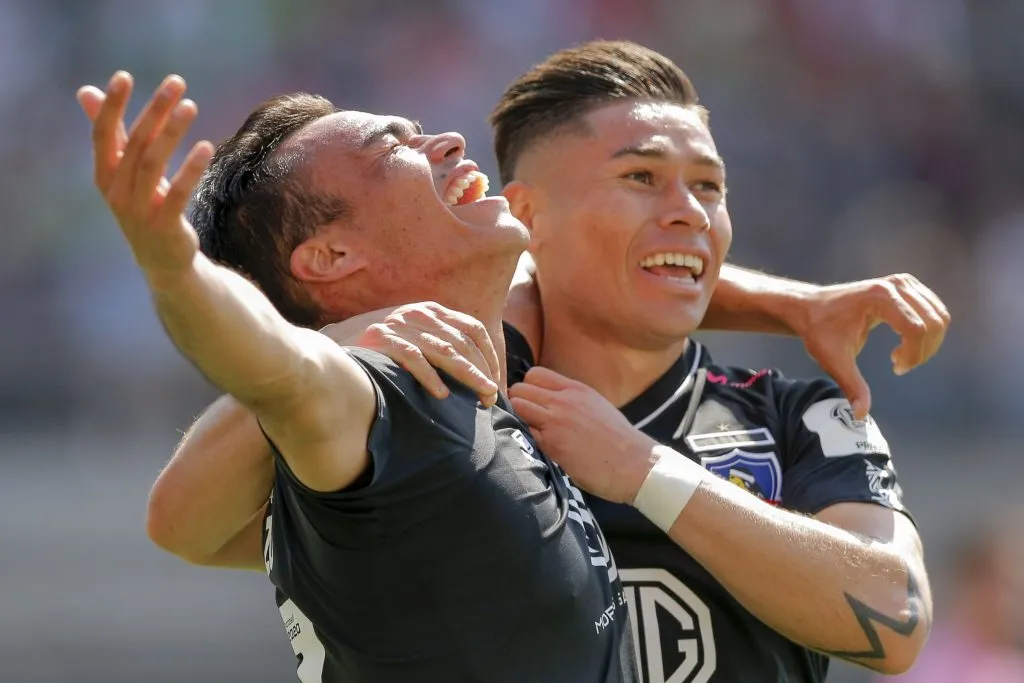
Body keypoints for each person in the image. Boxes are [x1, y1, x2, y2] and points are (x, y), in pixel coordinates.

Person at [86, 42, 949, 682]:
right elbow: (195, 502)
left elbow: (897, 618)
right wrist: (241, 298)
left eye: (711, 187)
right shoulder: (441, 387)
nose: (689, 213)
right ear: (528, 212)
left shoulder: (794, 416)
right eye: (641, 178)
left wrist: (647, 466)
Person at [78, 71, 638, 683]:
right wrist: (174, 270)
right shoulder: (392, 397)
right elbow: (275, 368)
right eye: (392, 149)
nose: (449, 140)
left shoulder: (473, 387)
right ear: (331, 258)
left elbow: (180, 526)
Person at [875, 515, 1024, 683]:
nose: (1009, 599)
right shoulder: (920, 661)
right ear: (971, 584)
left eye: (1013, 587)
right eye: (1000, 585)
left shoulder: (1012, 667)